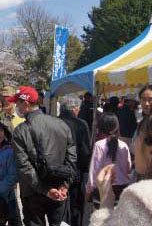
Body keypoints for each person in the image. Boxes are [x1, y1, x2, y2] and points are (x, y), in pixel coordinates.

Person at [8, 86, 77, 226]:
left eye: (17, 103)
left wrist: (45, 190)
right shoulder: (61, 124)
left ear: (25, 103)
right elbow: (72, 158)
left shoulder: (21, 131)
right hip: (59, 187)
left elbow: (24, 166)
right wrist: (65, 185)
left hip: (32, 191)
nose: (16, 106)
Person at [59, 97, 92, 226]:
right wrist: (85, 171)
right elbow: (85, 151)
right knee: (75, 207)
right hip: (76, 171)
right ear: (74, 110)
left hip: (56, 170)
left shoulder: (54, 121)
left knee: (58, 205)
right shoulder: (81, 124)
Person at [86, 113, 131, 207]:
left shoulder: (99, 145)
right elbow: (128, 169)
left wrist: (89, 190)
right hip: (122, 190)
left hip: (103, 190)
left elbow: (94, 172)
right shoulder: (124, 145)